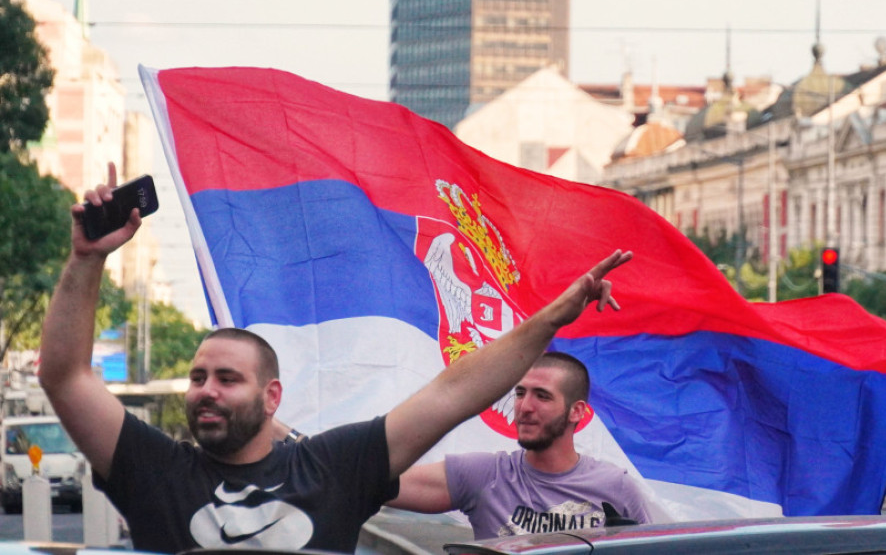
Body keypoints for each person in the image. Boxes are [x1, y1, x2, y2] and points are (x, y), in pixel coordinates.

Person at [38, 164, 632, 554]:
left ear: (273, 397)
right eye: (198, 378)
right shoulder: (156, 469)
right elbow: (65, 376)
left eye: (227, 378)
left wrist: (553, 316)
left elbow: (455, 393)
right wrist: (86, 260)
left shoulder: (333, 467)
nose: (206, 390)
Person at [383, 351, 655, 538]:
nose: (524, 407)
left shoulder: (615, 487)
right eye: (520, 393)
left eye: (542, 396)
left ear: (576, 412)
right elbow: (374, 483)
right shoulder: (485, 475)